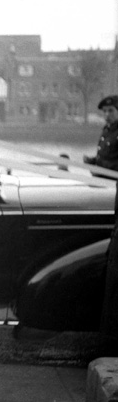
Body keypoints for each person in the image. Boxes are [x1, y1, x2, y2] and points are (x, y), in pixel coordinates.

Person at [84, 95, 118, 352]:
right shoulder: (108, 131)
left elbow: (113, 164)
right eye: (105, 111)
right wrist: (93, 164)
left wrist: (98, 165)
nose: (107, 115)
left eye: (110, 110)